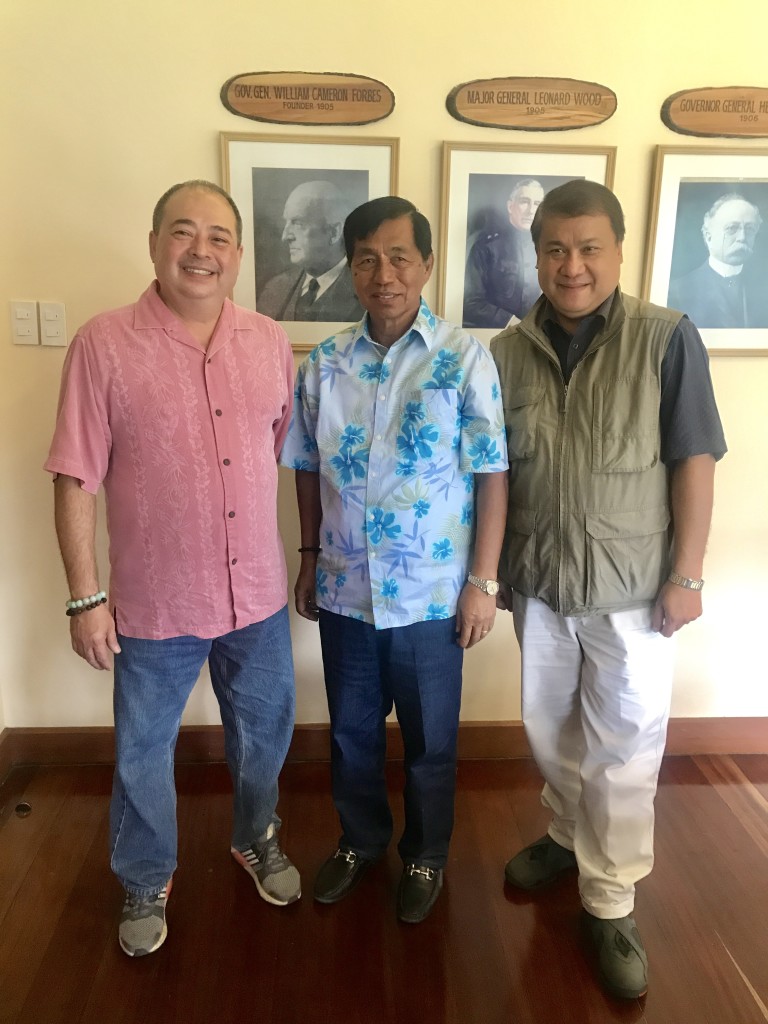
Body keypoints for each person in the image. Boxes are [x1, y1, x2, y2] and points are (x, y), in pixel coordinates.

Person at [44, 180, 300, 958]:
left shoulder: (269, 340)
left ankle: (257, 836)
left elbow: (278, 447)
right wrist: (86, 598)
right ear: (155, 243)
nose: (202, 250)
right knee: (142, 750)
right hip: (155, 604)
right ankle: (146, 874)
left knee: (264, 736)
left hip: (255, 593)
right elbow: (73, 474)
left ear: (239, 254)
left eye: (219, 237)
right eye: (184, 233)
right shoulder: (103, 343)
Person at [491, 180, 726, 1000]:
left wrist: (687, 576)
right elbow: (495, 474)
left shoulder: (666, 338)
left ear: (619, 251)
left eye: (589, 247)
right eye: (555, 247)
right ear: (537, 253)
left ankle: (610, 895)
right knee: (549, 729)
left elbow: (694, 459)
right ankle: (565, 836)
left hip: (632, 590)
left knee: (624, 749)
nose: (572, 264)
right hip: (541, 583)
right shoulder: (507, 351)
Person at [281, 196, 508, 924]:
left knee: (430, 740)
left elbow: (492, 474)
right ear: (350, 268)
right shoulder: (324, 363)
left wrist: (482, 583)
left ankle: (425, 855)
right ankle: (361, 840)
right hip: (346, 589)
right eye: (367, 258)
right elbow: (307, 466)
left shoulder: (465, 359)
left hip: (434, 596)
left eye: (399, 256)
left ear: (428, 265)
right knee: (349, 733)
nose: (384, 273)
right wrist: (310, 554)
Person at [258, 180, 363, 323]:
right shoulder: (275, 289)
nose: (285, 236)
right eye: (287, 223)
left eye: (298, 223)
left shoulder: (366, 293)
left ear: (333, 232)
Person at [668, 193, 768, 328]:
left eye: (750, 229)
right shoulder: (677, 291)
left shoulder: (763, 287)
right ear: (708, 237)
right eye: (732, 228)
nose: (742, 237)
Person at [463, 178, 545, 329]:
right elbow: (471, 302)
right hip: (499, 333)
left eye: (537, 204)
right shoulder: (487, 247)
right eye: (524, 201)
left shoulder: (549, 248)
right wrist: (510, 322)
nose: (531, 210)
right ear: (510, 206)